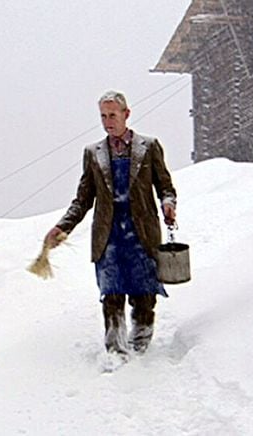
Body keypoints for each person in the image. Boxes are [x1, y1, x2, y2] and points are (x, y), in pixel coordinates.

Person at [44, 90, 177, 356]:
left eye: (112, 115)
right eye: (103, 116)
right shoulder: (93, 153)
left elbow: (165, 186)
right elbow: (83, 200)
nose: (108, 121)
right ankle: (116, 352)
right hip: (109, 237)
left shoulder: (149, 147)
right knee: (112, 295)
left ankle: (141, 347)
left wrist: (168, 203)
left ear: (126, 114)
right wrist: (62, 227)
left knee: (144, 295)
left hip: (142, 234)